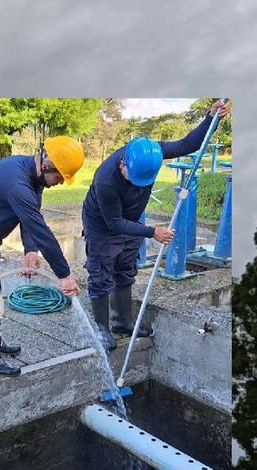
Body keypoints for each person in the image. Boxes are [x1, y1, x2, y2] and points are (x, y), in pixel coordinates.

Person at [80, 99, 230, 350]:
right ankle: (102, 328)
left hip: (131, 218)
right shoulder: (105, 179)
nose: (138, 184)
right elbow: (114, 223)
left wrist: (210, 118)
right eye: (133, 178)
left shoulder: (151, 153)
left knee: (126, 269)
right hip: (104, 224)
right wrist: (152, 232)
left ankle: (123, 321)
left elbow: (188, 144)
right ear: (122, 163)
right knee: (101, 273)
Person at [0, 135, 84, 376]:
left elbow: (28, 217)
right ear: (46, 164)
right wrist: (64, 275)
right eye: (60, 176)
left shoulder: (33, 176)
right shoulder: (17, 183)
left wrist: (30, 250)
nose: (61, 182)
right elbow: (41, 229)